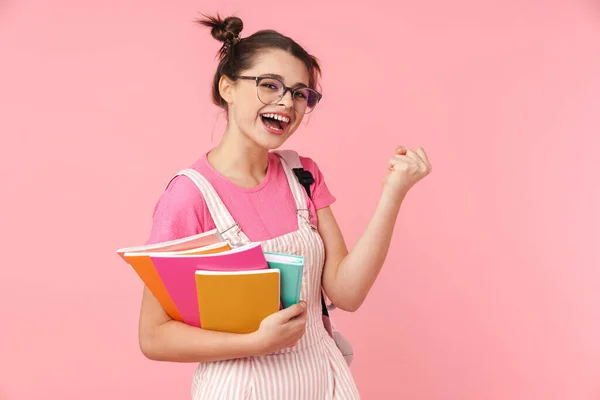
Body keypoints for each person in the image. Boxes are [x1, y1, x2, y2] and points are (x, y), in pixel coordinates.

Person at [137, 13, 432, 400]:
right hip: (242, 388)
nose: (286, 102)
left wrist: (393, 193)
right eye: (269, 85)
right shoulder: (189, 196)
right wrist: (254, 343)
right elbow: (153, 336)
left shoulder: (302, 174)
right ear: (227, 87)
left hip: (323, 380)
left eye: (298, 93)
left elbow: (347, 293)